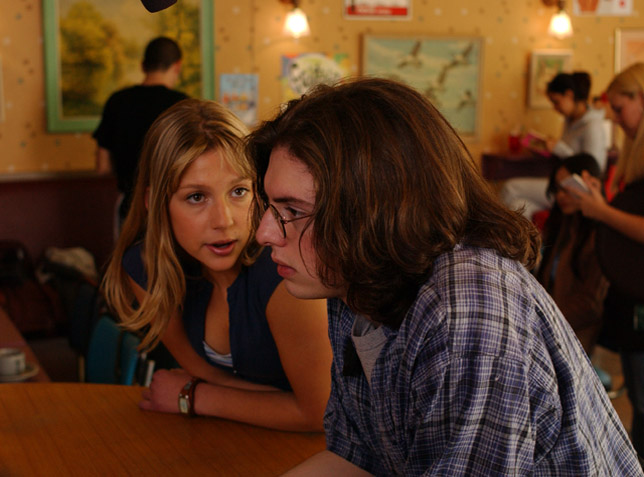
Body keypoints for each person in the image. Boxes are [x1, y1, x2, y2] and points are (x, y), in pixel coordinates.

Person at [247, 77, 641, 475]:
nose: (264, 233)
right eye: (271, 207)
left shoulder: (467, 310)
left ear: (375, 209)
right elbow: (357, 456)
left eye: (292, 211)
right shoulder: (354, 279)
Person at [101, 99, 332, 431]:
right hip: (231, 436)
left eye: (238, 191)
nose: (223, 220)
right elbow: (202, 371)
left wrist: (194, 397)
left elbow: (321, 412)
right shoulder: (146, 269)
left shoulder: (283, 273)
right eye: (196, 197)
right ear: (155, 203)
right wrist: (278, 402)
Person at [571, 62, 644, 460]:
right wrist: (604, 203)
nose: (614, 119)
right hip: (633, 293)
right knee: (638, 395)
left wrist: (602, 212)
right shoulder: (634, 155)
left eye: (619, 108)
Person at [93, 36, 189, 232]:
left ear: (143, 66)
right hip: (172, 208)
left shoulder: (117, 101)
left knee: (129, 253)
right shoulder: (183, 105)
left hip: (130, 208)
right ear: (177, 66)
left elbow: (102, 166)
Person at [501, 71, 607, 220]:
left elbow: (593, 167)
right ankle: (523, 237)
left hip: (574, 189)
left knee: (510, 187)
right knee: (518, 205)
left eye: (556, 102)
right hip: (560, 182)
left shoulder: (592, 126)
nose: (555, 108)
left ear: (569, 95)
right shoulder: (570, 122)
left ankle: (493, 231)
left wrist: (559, 149)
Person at [536, 153, 608, 354]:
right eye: (557, 189)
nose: (561, 196)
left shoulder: (598, 234)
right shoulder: (562, 224)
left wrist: (547, 319)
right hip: (551, 325)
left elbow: (590, 305)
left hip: (575, 335)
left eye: (568, 189)